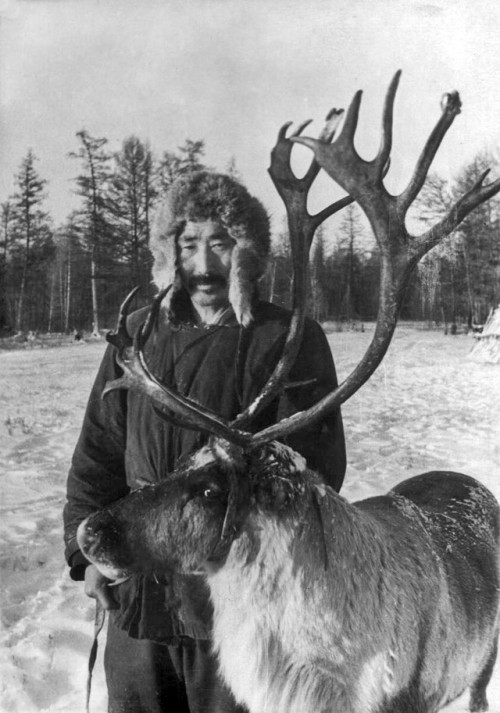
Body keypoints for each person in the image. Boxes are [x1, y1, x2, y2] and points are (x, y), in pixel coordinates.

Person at [63, 171, 346, 713]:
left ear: (248, 253)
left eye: (221, 243)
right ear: (168, 252)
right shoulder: (138, 336)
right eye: (189, 244)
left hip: (238, 597)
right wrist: (86, 555)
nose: (204, 263)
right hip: (140, 591)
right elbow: (98, 450)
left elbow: (319, 468)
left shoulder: (288, 338)